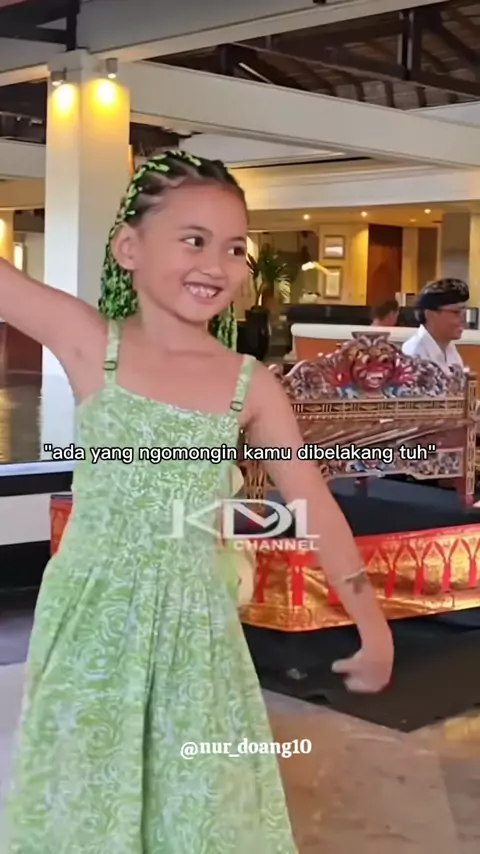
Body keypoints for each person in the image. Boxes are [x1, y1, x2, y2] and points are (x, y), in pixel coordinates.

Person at [3, 151, 393, 853]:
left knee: (200, 808)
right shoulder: (92, 344)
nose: (217, 264)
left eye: (235, 248)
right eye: (194, 240)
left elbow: (311, 502)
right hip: (91, 624)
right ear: (129, 248)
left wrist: (372, 623)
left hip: (196, 629)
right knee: (86, 805)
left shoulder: (250, 385)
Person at [402, 278, 468, 374]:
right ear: (430, 315)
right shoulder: (414, 356)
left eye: (464, 312)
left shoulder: (449, 348)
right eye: (456, 312)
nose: (463, 319)